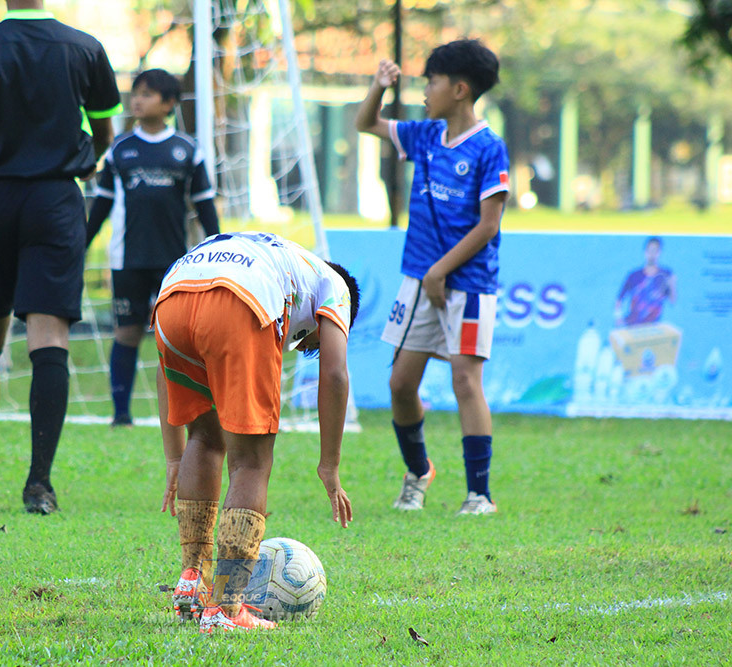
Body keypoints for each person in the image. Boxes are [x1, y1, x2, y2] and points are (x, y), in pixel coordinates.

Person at [0, 0, 121, 514]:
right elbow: (105, 132)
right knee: (50, 338)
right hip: (55, 202)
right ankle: (39, 483)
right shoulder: (85, 48)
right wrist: (83, 163)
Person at [153, 231, 359, 633]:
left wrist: (175, 456)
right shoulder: (335, 285)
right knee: (251, 462)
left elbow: (164, 371)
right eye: (312, 342)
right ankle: (226, 607)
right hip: (239, 299)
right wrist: (329, 466)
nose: (306, 345)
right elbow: (334, 374)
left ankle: (193, 582)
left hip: (171, 297)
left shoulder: (278, 256)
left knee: (205, 438)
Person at [355, 40, 509, 516]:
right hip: (419, 280)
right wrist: (378, 87)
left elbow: (488, 225)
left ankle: (479, 495)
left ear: (459, 89)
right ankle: (419, 472)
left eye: (432, 81)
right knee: (400, 384)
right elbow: (365, 123)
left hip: (470, 283)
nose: (424, 91)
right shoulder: (424, 135)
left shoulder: (489, 148)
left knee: (466, 379)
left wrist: (441, 270)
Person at [86, 68, 219, 428]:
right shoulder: (119, 150)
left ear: (169, 103)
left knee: (177, 338)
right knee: (127, 333)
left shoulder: (188, 150)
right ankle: (121, 414)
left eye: (147, 94)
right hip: (126, 259)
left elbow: (205, 206)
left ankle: (186, 412)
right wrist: (81, 243)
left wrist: (218, 244)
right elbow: (101, 204)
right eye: (136, 93)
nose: (137, 100)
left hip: (175, 263)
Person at [614, 236, 676, 327]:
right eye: (649, 250)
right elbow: (619, 300)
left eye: (655, 251)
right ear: (645, 252)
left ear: (659, 252)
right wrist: (618, 318)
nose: (652, 254)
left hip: (653, 327)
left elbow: (672, 301)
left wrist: (672, 284)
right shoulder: (634, 276)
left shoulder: (665, 275)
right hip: (632, 325)